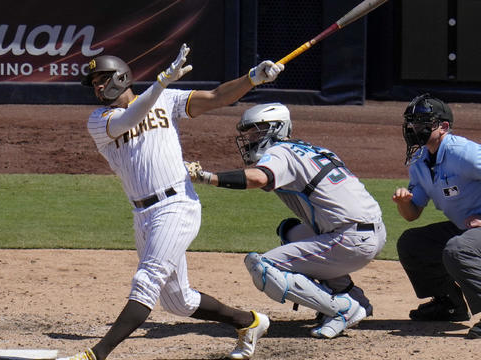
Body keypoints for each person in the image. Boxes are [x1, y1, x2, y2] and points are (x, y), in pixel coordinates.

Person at [58, 44, 284, 360]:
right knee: (179, 302)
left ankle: (96, 355)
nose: (97, 86)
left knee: (146, 280)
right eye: (93, 83)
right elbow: (131, 117)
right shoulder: (100, 120)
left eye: (101, 79)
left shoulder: (166, 99)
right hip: (143, 216)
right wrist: (160, 82)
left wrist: (253, 78)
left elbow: (218, 97)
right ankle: (249, 322)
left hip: (176, 206)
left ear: (121, 77)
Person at [187, 102, 386, 339]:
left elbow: (259, 178)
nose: (250, 138)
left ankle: (342, 310)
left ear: (275, 129)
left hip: (349, 239)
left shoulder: (280, 153)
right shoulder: (312, 149)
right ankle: (353, 296)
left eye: (256, 131)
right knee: (290, 231)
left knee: (262, 266)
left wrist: (207, 177)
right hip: (370, 232)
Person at [392, 93, 481, 339]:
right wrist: (403, 202)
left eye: (422, 123)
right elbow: (412, 214)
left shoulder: (463, 153)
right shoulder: (420, 162)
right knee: (413, 243)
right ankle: (449, 304)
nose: (414, 128)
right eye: (411, 122)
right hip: (468, 229)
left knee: (458, 249)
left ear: (443, 127)